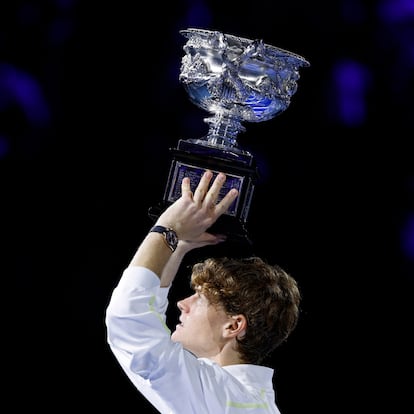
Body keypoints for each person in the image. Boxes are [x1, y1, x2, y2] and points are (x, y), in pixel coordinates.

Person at [105, 169, 301, 414]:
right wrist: (177, 248)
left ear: (233, 326)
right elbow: (140, 355)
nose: (182, 304)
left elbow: (130, 323)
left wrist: (167, 229)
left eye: (200, 299)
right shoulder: (235, 397)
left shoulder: (223, 397)